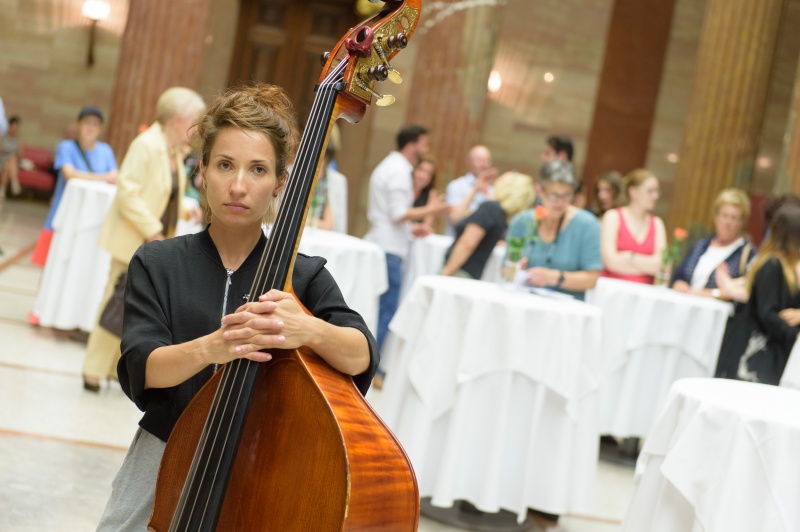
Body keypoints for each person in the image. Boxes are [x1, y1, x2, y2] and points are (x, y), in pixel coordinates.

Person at [95, 84, 378, 530]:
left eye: (258, 169)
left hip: (265, 470)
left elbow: (363, 353)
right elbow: (142, 365)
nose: (239, 186)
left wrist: (310, 329)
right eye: (225, 165)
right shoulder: (158, 263)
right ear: (202, 171)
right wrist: (213, 346)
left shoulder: (302, 277)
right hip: (163, 453)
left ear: (280, 183)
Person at [82, 88, 206, 392]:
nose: (196, 127)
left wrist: (183, 214)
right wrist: (152, 229)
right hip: (134, 241)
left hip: (153, 245)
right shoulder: (147, 145)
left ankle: (113, 368)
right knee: (115, 306)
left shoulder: (173, 150)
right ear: (177, 118)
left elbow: (168, 194)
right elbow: (128, 192)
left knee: (134, 311)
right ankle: (92, 369)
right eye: (193, 119)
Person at [363, 125, 450, 352]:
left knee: (379, 308)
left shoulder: (391, 166)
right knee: (385, 310)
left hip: (384, 241)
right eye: (424, 144)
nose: (426, 149)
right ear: (412, 146)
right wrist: (431, 209)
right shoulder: (399, 170)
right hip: (389, 249)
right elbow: (398, 213)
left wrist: (413, 229)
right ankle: (371, 365)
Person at [715, 203, 800, 385]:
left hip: (769, 352)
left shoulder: (787, 268)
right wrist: (794, 336)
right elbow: (767, 313)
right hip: (756, 355)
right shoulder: (772, 266)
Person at [30, 106, 118, 266]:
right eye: (87, 123)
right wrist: (102, 177)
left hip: (91, 221)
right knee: (52, 266)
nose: (91, 128)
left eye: (95, 124)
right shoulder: (66, 147)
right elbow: (69, 174)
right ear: (78, 125)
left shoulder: (106, 151)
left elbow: (114, 176)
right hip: (62, 218)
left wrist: (102, 177)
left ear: (100, 129)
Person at [507, 160, 602, 301]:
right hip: (523, 302)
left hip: (566, 312)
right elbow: (505, 268)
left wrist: (553, 278)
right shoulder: (522, 221)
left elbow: (592, 279)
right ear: (539, 190)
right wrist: (516, 271)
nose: (560, 203)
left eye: (566, 195)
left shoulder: (587, 224)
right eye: (554, 195)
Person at [442, 171, 535, 279]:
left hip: (458, 271)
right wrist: (476, 188)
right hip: (470, 274)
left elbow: (467, 244)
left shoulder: (490, 209)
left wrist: (446, 272)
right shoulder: (500, 214)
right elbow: (456, 216)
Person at [672, 188, 755, 298]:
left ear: (741, 222)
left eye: (734, 218)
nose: (727, 222)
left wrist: (712, 294)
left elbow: (747, 291)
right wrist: (679, 283)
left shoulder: (747, 253)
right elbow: (679, 275)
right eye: (724, 216)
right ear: (716, 217)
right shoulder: (701, 245)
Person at [600, 169, 666, 284]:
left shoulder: (657, 223)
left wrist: (629, 257)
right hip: (611, 288)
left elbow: (660, 265)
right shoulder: (613, 217)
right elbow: (609, 261)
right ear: (633, 192)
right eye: (650, 191)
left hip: (643, 293)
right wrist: (646, 267)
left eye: (657, 191)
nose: (655, 196)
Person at [444, 145, 498, 235]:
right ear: (468, 162)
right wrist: (476, 188)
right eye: (480, 160)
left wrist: (468, 213)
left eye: (487, 161)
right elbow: (455, 218)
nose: (484, 165)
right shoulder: (456, 186)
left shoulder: (493, 191)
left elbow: (494, 221)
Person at [0, 116, 24, 198]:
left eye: (16, 127)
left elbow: (20, 155)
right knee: (10, 160)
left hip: (13, 161)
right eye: (12, 126)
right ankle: (14, 182)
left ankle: (2, 190)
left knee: (11, 161)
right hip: (2, 160)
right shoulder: (2, 137)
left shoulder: (20, 140)